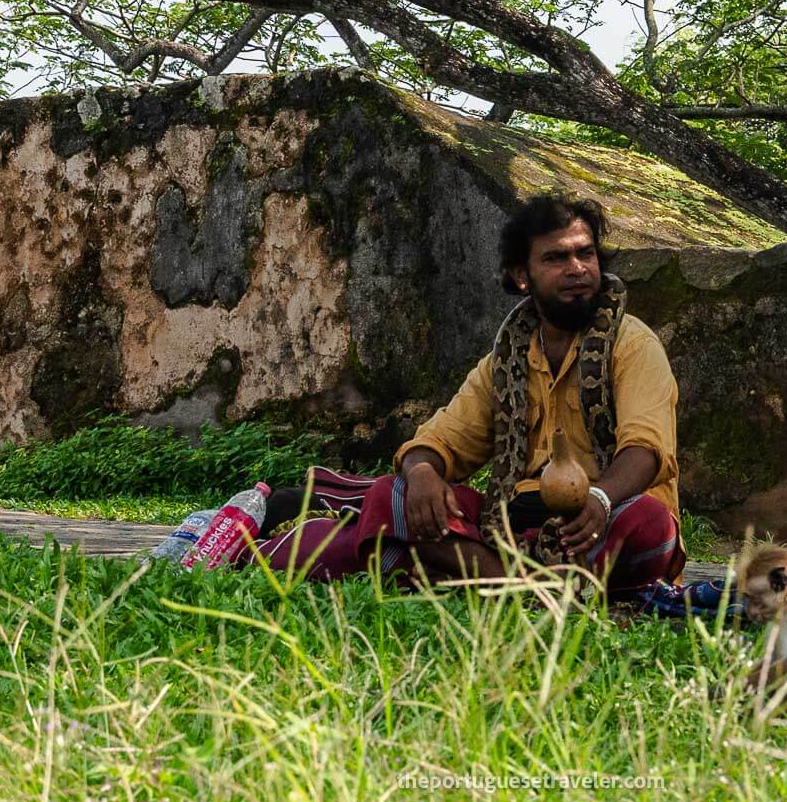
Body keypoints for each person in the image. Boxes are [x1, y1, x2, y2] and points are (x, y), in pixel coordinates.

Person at [238, 194, 684, 597]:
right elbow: (440, 441)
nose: (577, 269)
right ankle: (525, 587)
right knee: (391, 495)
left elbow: (647, 449)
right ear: (521, 275)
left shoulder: (632, 345)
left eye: (586, 253)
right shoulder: (507, 358)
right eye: (557, 258)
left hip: (600, 517)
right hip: (512, 523)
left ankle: (466, 573)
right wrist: (423, 474)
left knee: (649, 526)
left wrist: (602, 498)